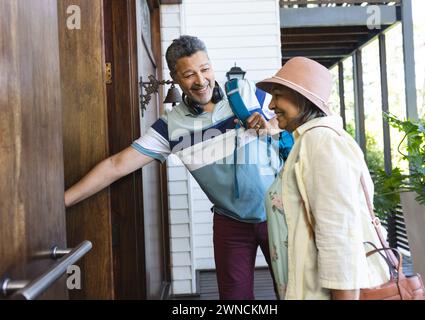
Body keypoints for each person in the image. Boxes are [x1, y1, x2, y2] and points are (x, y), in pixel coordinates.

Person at [64, 35, 282, 300]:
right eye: (189, 74)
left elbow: (294, 123)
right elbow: (116, 165)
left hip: (278, 211)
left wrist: (273, 128)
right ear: (176, 78)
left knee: (294, 291)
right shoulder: (171, 127)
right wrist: (61, 202)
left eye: (205, 69)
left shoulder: (248, 92)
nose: (200, 81)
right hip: (230, 222)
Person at [256, 57, 391, 300]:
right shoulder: (307, 140)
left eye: (277, 95)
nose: (271, 105)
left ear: (302, 97)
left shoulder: (322, 142)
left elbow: (338, 233)